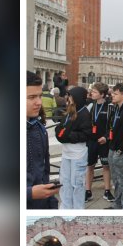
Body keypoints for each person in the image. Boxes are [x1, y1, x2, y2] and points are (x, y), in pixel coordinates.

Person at [54, 86, 93, 209]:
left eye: (70, 96)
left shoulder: (84, 113)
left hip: (78, 153)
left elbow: (86, 134)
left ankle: (77, 209)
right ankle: (66, 207)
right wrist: (61, 135)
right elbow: (60, 128)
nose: (68, 98)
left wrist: (68, 135)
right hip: (67, 152)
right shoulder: (70, 111)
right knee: (65, 181)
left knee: (77, 183)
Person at [26, 72, 59, 209]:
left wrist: (50, 201)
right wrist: (29, 193)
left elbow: (44, 170)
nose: (39, 102)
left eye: (40, 96)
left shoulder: (39, 128)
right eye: (32, 97)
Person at [86, 82, 114, 203]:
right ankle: (88, 191)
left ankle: (107, 191)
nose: (92, 93)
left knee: (106, 166)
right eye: (92, 91)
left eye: (95, 92)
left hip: (104, 142)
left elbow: (113, 125)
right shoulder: (90, 106)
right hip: (92, 141)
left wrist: (106, 137)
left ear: (102, 94)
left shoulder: (110, 107)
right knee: (90, 166)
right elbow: (86, 123)